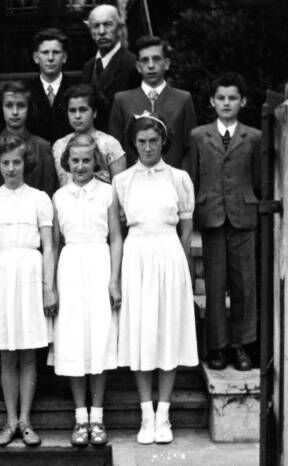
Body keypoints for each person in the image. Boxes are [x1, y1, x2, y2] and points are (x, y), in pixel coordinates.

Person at [113, 112, 198, 445]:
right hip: (137, 257)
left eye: (153, 141)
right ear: (133, 144)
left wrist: (182, 270)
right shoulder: (122, 181)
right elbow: (118, 231)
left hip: (169, 256)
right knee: (141, 333)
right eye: (141, 142)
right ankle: (146, 415)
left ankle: (164, 415)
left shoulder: (179, 178)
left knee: (167, 333)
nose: (147, 147)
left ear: (163, 141)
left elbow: (186, 230)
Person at [0, 135, 57, 447]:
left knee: (28, 354)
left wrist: (48, 288)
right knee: (7, 356)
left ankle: (25, 420)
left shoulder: (39, 198)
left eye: (16, 162)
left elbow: (49, 247)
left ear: (26, 163)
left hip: (30, 276)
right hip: (0, 277)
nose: (11, 168)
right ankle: (10, 420)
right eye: (5, 163)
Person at [50, 134, 122, 447]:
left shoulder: (108, 192)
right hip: (70, 268)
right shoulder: (58, 197)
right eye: (75, 160)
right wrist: (51, 286)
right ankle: (80, 416)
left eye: (86, 160)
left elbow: (116, 238)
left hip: (100, 264)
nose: (80, 166)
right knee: (73, 340)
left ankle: (98, 416)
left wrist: (114, 280)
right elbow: (54, 244)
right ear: (67, 163)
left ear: (96, 162)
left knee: (100, 338)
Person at [189, 73, 260, 371]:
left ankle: (241, 345)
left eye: (233, 98)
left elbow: (258, 177)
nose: (227, 103)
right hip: (212, 216)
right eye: (221, 98)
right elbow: (193, 176)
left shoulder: (253, 136)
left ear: (243, 101)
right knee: (215, 285)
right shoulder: (199, 136)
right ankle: (217, 347)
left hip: (243, 216)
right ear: (212, 102)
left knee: (244, 284)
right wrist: (196, 212)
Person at [109, 36, 196, 169]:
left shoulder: (183, 99)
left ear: (166, 63)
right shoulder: (122, 100)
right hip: (134, 178)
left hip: (172, 178)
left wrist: (184, 179)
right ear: (138, 66)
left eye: (156, 59)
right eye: (145, 60)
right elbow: (115, 150)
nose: (150, 65)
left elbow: (189, 149)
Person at [0, 80, 58, 198]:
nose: (15, 112)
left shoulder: (42, 147)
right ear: (1, 108)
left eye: (21, 106)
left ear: (29, 108)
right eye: (9, 106)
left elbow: (48, 191)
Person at [53, 84, 126, 187]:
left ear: (94, 112)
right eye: (72, 111)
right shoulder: (59, 145)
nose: (77, 116)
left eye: (83, 110)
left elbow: (120, 187)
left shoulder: (109, 144)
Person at [82, 4, 140, 131]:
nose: (101, 31)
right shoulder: (88, 67)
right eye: (96, 26)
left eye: (108, 24)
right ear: (90, 32)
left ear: (119, 29)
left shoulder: (133, 64)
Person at [27, 28, 74, 144]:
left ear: (64, 57)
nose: (50, 58)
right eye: (45, 52)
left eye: (56, 52)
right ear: (36, 57)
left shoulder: (75, 88)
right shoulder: (26, 90)